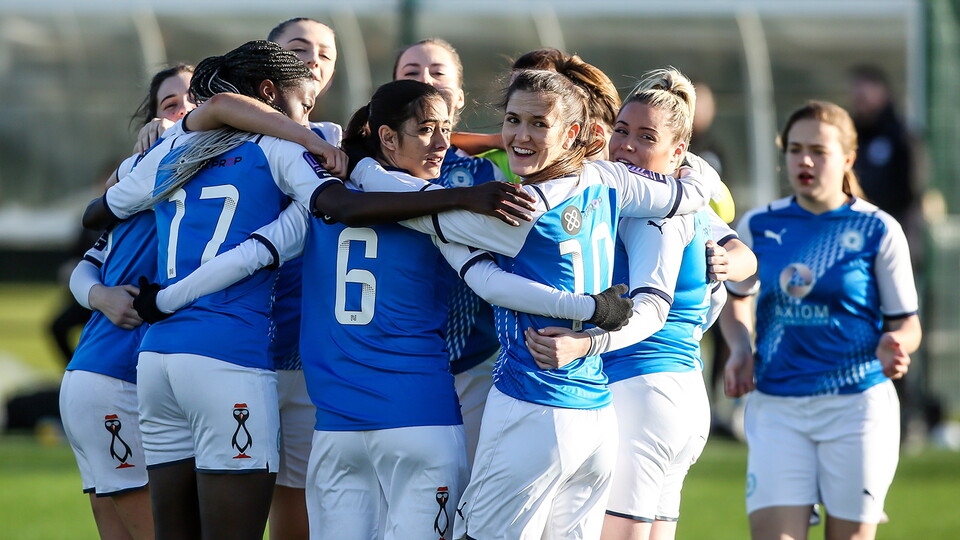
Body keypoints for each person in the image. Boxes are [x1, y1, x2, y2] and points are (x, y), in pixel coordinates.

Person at [350, 68, 720, 539]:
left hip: (533, 407)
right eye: (512, 120)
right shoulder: (609, 179)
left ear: (572, 133)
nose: (520, 136)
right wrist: (697, 171)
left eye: (538, 124)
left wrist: (361, 166)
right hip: (595, 417)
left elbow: (428, 217)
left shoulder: (520, 209)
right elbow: (687, 194)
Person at [80, 40, 346, 540]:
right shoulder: (282, 147)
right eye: (304, 105)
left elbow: (98, 212)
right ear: (269, 93)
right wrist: (319, 147)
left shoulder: (173, 149)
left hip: (157, 362)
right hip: (228, 358)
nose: (308, 118)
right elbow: (327, 206)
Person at [520, 68, 756, 540]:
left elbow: (654, 308)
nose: (626, 145)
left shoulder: (645, 210)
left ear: (677, 153)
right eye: (622, 131)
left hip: (640, 388)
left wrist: (583, 344)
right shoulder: (685, 200)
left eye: (645, 136)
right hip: (682, 396)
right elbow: (746, 257)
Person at [722, 100, 922, 540]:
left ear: (848, 158)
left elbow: (908, 324)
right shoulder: (758, 225)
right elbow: (736, 299)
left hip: (857, 407)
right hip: (777, 407)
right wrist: (740, 346)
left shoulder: (879, 229)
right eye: (794, 149)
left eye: (818, 149)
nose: (804, 160)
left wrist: (896, 345)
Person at [58, 64, 197, 540]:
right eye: (170, 104)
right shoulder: (146, 185)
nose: (183, 111)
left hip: (107, 381)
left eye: (195, 99)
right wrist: (100, 297)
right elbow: (86, 265)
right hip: (110, 379)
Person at [393, 38, 512, 467]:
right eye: (411, 72)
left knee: (465, 500)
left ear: (460, 96)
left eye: (438, 72)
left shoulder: (490, 170)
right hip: (386, 366)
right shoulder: (357, 168)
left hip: (470, 364)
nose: (425, 79)